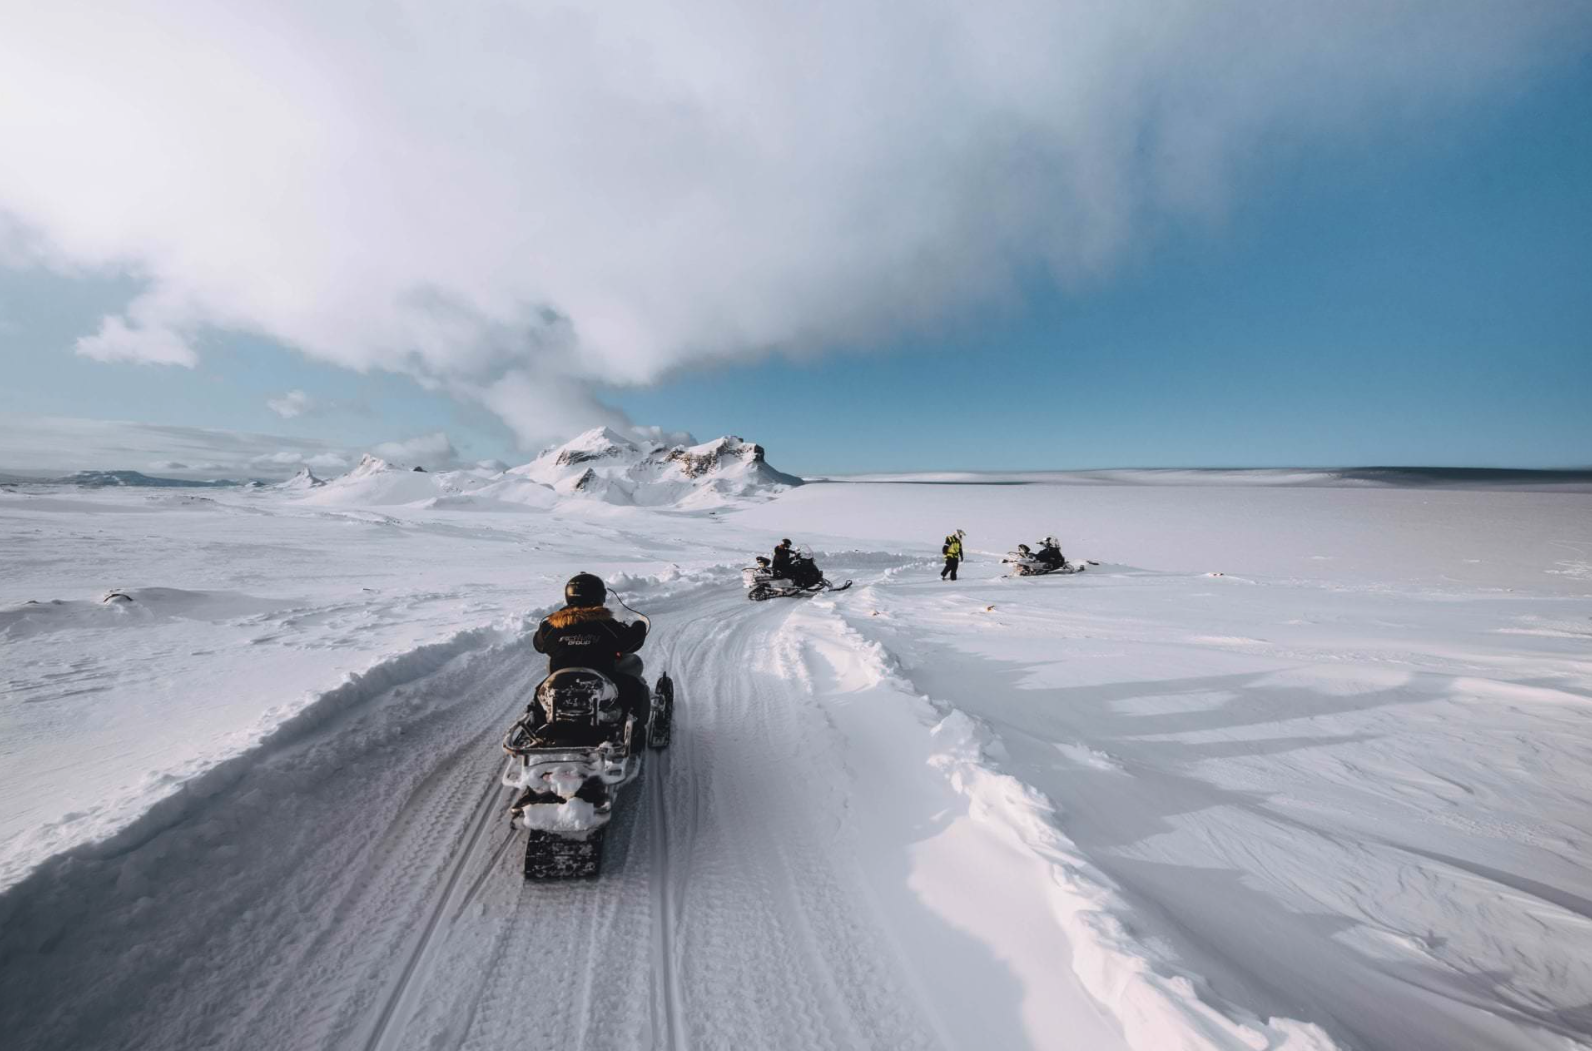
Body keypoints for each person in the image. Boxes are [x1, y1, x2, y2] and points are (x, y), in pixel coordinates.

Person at [533, 572, 649, 722]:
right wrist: (639, 626)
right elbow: (631, 643)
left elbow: (539, 645)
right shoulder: (606, 625)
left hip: (558, 685)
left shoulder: (550, 626)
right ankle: (636, 731)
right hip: (602, 683)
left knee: (538, 693)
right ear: (598, 596)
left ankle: (537, 724)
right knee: (637, 687)